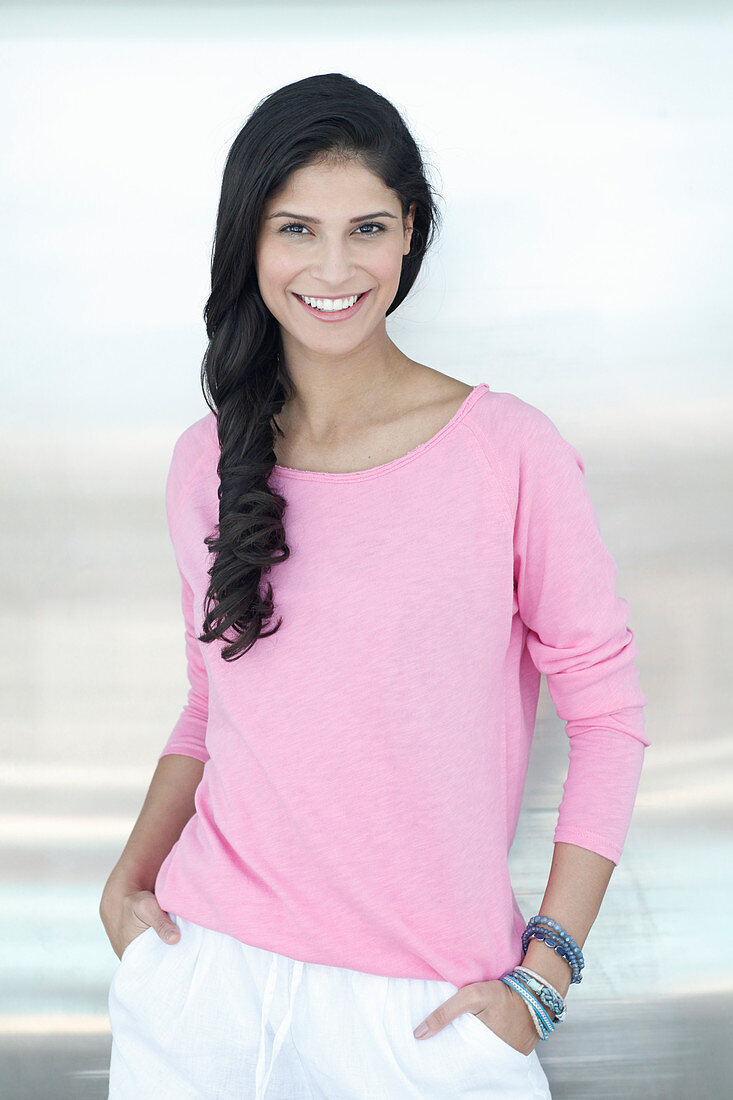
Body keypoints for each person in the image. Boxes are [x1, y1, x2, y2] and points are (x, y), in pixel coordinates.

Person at [100, 72, 649, 1099]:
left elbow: (609, 717)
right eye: (295, 228)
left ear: (410, 237)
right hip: (203, 989)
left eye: (367, 228)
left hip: (428, 1015)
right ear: (249, 243)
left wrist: (543, 976)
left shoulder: (508, 452)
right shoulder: (204, 460)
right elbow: (213, 699)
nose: (333, 266)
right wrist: (126, 883)